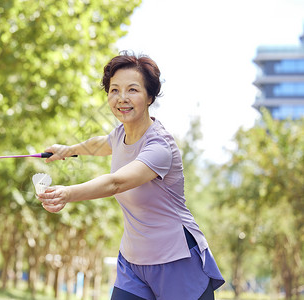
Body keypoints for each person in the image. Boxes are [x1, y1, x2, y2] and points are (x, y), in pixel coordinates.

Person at [37, 51, 225, 300]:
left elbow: (117, 182)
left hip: (176, 259)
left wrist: (67, 193)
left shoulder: (160, 146)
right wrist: (67, 151)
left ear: (149, 97)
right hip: (133, 262)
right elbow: (101, 143)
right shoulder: (119, 135)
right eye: (114, 90)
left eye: (132, 90)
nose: (122, 98)